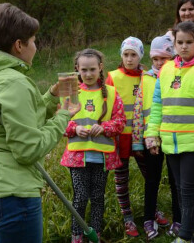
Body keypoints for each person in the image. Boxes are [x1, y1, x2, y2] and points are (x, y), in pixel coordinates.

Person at [0, 3, 80, 243]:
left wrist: (50, 97)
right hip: (12, 197)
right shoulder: (15, 83)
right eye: (33, 40)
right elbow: (28, 149)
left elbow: (17, 122)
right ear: (19, 45)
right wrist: (63, 116)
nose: (36, 46)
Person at [145, 21, 194, 243]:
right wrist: (152, 134)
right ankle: (191, 232)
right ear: (174, 44)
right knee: (179, 190)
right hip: (171, 141)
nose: (184, 46)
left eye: (189, 42)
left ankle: (186, 236)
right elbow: (158, 104)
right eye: (179, 42)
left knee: (188, 190)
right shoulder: (167, 69)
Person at [106, 36, 169, 237]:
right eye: (126, 54)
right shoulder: (113, 76)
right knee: (121, 178)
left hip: (142, 137)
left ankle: (152, 209)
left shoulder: (147, 76)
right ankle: (128, 217)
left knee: (150, 175)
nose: (129, 59)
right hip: (119, 138)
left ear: (141, 56)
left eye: (134, 55)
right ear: (121, 55)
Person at [61, 49, 126, 243]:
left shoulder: (112, 93)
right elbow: (59, 121)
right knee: (80, 197)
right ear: (77, 69)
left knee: (98, 197)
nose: (88, 74)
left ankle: (95, 235)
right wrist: (74, 129)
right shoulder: (70, 89)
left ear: (100, 68)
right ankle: (77, 236)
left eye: (92, 69)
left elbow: (120, 122)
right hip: (77, 156)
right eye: (84, 70)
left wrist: (105, 127)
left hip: (102, 156)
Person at [131, 35, 180, 240]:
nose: (159, 63)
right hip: (152, 138)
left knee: (176, 181)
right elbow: (138, 109)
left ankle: (179, 219)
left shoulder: (178, 74)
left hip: (174, 136)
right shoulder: (146, 78)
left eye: (164, 58)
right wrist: (137, 140)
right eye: (156, 59)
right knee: (152, 180)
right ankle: (148, 219)